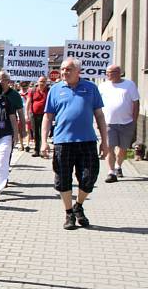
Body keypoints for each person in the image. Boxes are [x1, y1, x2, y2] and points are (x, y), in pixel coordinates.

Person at [41, 58, 108, 230]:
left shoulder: (90, 88)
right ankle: (69, 212)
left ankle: (79, 204)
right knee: (63, 179)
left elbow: (99, 115)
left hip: (87, 141)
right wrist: (43, 142)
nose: (64, 72)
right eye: (63, 69)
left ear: (78, 71)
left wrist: (105, 142)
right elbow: (47, 117)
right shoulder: (55, 90)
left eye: (68, 69)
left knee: (89, 177)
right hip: (63, 142)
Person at [99, 65, 140, 182]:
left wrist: (134, 120)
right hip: (108, 123)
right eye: (106, 73)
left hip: (127, 122)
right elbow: (97, 105)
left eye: (110, 72)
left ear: (118, 73)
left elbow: (136, 103)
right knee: (109, 147)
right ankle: (111, 172)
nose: (108, 75)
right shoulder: (102, 86)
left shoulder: (129, 85)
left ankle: (118, 166)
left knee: (123, 148)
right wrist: (98, 121)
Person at [0, 71, 27, 154]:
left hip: (9, 127)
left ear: (8, 81)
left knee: (6, 153)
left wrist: (23, 129)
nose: (0, 82)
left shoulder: (15, 95)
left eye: (3, 79)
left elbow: (21, 113)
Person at [27, 76, 49, 157]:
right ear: (38, 82)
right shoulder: (32, 91)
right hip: (34, 114)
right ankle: (37, 150)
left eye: (44, 81)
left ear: (46, 82)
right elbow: (28, 102)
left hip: (45, 115)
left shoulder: (49, 91)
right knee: (35, 132)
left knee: (44, 132)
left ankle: (43, 150)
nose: (42, 83)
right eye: (40, 81)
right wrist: (27, 114)